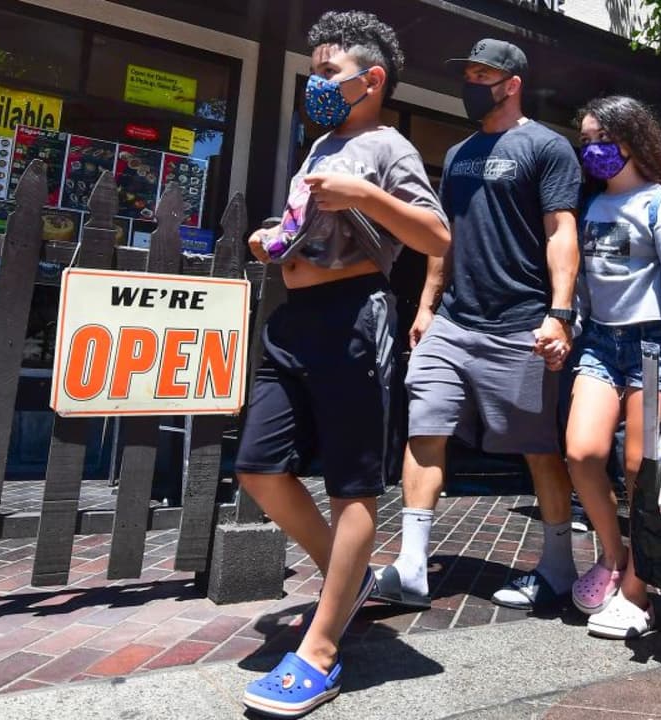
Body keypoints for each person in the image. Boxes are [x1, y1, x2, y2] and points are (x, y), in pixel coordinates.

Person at [234, 11, 450, 717]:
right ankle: (347, 580)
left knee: (352, 487)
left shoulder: (389, 147)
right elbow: (306, 227)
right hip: (293, 318)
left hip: (355, 317)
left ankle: (321, 653)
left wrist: (365, 194)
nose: (316, 84)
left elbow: (435, 234)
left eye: (329, 72)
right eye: (314, 72)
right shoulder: (320, 146)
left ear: (372, 79)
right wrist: (274, 236)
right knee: (258, 466)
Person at [371, 39, 582, 612]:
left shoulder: (547, 147)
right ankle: (412, 566)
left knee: (539, 448)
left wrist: (560, 313)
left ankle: (558, 567)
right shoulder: (460, 153)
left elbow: (561, 231)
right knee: (425, 427)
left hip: (521, 324)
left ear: (511, 84)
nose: (470, 84)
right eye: (466, 73)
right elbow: (443, 236)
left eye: (481, 75)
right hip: (453, 323)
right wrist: (427, 306)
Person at [562, 95, 661, 639]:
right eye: (585, 141)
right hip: (601, 344)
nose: (592, 150)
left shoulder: (660, 205)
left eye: (601, 139)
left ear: (632, 139)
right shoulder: (590, 206)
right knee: (581, 453)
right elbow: (584, 282)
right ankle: (613, 554)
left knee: (639, 471)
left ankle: (637, 591)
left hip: (653, 347)